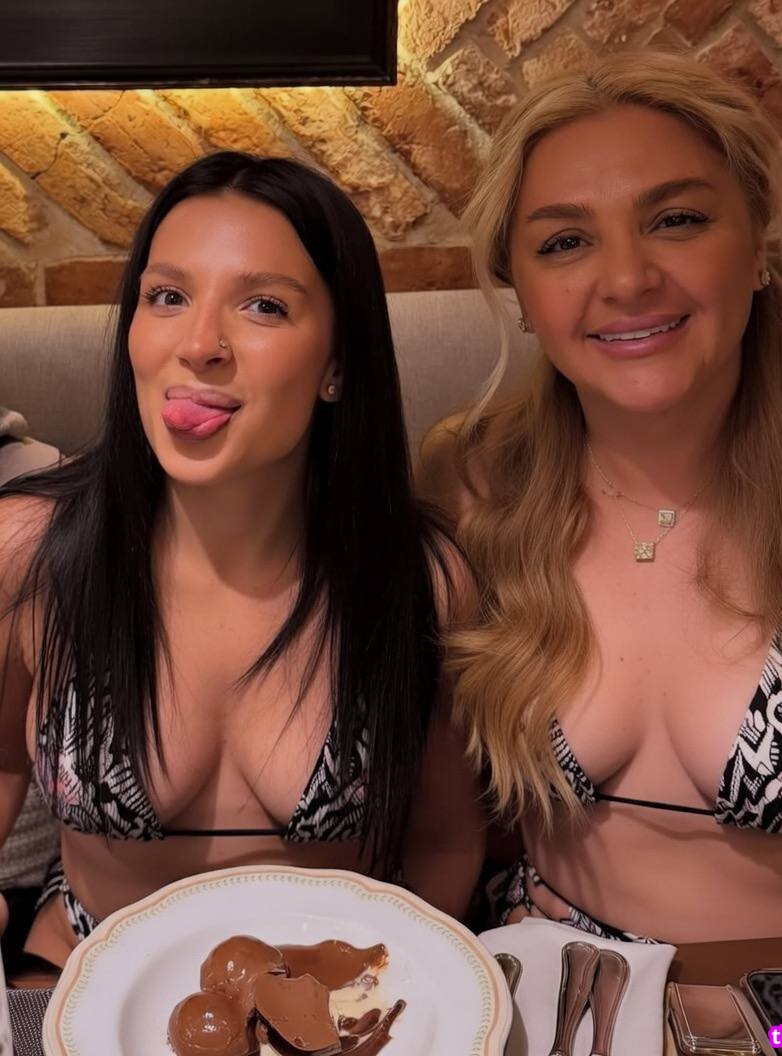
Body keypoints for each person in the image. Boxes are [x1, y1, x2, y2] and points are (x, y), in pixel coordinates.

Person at [419, 52, 782, 1031]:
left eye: (676, 220)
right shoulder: (473, 482)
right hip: (543, 1008)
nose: (627, 278)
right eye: (564, 242)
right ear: (522, 293)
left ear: (756, 244)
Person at [0, 151, 482, 970]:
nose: (199, 345)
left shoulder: (419, 581)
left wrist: (397, 998)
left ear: (338, 363)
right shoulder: (31, 552)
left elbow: (446, 840)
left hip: (330, 1005)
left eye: (263, 305)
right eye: (167, 296)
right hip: (81, 985)